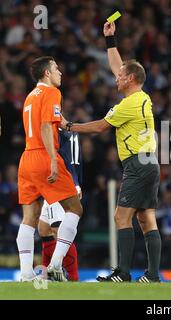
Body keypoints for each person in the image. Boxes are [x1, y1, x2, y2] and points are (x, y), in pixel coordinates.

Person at [61, 21, 161, 283]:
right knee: (146, 218)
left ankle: (123, 272)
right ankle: (152, 275)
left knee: (121, 216)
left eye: (120, 76)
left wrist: (69, 125)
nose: (115, 77)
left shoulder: (128, 105)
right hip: (149, 163)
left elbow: (99, 127)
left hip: (137, 164)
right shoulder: (142, 97)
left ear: (130, 80)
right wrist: (110, 40)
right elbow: (120, 67)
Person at [17, 56, 83, 282]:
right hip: (45, 156)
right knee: (75, 208)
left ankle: (26, 274)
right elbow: (46, 125)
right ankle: (56, 264)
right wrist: (54, 160)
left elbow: (48, 121)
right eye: (56, 68)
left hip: (26, 158)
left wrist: (64, 123)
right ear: (47, 73)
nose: (60, 72)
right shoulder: (53, 92)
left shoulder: (30, 96)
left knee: (29, 218)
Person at [38, 129, 83, 281]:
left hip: (59, 183)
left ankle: (73, 277)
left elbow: (72, 161)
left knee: (58, 230)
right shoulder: (55, 130)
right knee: (44, 229)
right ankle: (47, 275)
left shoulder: (62, 133)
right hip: (49, 181)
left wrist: (75, 183)